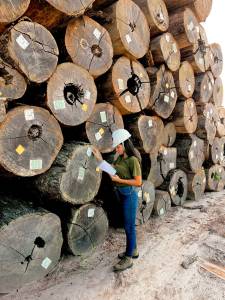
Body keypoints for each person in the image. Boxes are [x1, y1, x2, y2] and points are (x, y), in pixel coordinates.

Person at [93, 129, 142, 272]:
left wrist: (120, 180)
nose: (116, 148)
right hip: (122, 194)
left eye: (118, 146)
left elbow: (138, 182)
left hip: (130, 195)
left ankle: (128, 258)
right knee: (128, 225)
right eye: (116, 147)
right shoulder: (120, 158)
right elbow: (112, 171)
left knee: (129, 226)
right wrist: (99, 159)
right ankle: (134, 251)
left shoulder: (133, 160)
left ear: (125, 144)